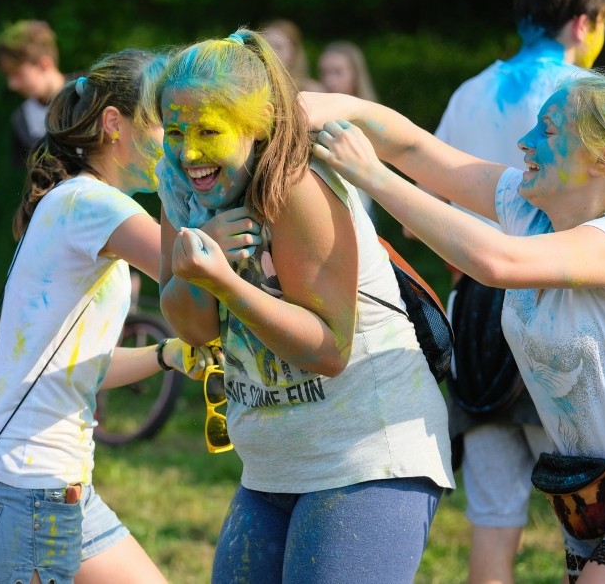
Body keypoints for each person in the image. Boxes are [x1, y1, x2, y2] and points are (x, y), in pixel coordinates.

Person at [310, 71, 605, 584]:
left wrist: (371, 175)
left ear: (603, 159)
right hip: (588, 493)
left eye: (548, 132)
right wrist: (310, 104)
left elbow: (497, 263)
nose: (524, 142)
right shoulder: (530, 212)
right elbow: (417, 149)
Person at [156, 28, 454, 583]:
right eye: (175, 131)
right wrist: (196, 264)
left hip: (366, 459)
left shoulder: (295, 188)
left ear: (255, 126)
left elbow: (328, 348)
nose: (187, 151)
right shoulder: (190, 188)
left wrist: (226, 283)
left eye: (207, 131)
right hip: (270, 467)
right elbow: (194, 326)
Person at [0, 49, 222, 584]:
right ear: (114, 125)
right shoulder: (92, 204)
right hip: (23, 490)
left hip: (49, 488)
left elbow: (79, 365)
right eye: (166, 125)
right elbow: (194, 277)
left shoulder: (83, 205)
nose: (177, 142)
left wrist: (168, 354)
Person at [423, 0, 605, 581]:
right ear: (586, 23)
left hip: (476, 325)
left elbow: (429, 210)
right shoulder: (586, 99)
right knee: (600, 513)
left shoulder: (470, 92)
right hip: (569, 315)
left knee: (492, 511)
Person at [0, 20, 70, 168]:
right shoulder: (21, 118)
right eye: (8, 76)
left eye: (17, 74)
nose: (12, 85)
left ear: (44, 64)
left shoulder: (89, 95)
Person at [318, 40, 379, 221]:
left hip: (359, 209)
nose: (330, 80)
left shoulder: (370, 115)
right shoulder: (315, 112)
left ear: (355, 75)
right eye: (324, 72)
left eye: (338, 72)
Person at [260, 19, 324, 92]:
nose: (270, 52)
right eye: (265, 45)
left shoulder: (311, 91)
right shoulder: (253, 88)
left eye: (278, 47)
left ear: (293, 54)